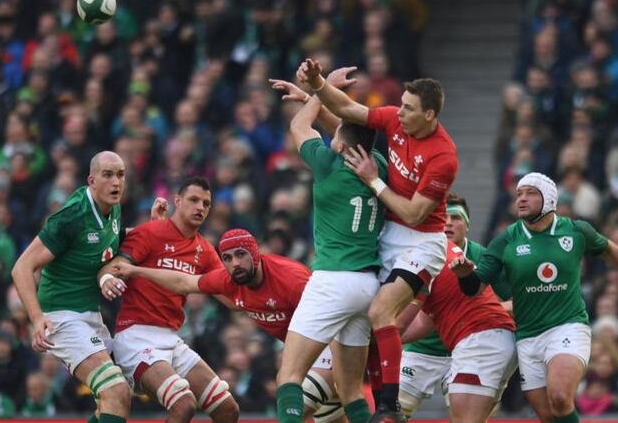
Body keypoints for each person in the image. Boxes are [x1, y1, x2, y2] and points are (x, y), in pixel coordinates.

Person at [297, 58, 458, 418]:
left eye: (409, 108)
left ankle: (388, 404)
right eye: (400, 103)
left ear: (430, 115)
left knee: (379, 310)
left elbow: (416, 213)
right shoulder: (394, 120)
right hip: (389, 233)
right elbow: (347, 112)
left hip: (422, 241)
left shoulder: (444, 156)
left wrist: (374, 179)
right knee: (374, 321)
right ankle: (359, 397)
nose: (399, 112)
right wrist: (317, 83)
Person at [452, 172, 618, 423]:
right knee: (549, 416)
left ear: (549, 198)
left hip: (567, 327)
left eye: (530, 193)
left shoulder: (575, 230)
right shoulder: (505, 239)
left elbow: (610, 251)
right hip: (528, 337)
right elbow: (474, 288)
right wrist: (465, 274)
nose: (522, 199)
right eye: (519, 194)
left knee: (560, 397)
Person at [112, 228, 346, 423]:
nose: (235, 263)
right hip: (309, 353)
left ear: (255, 253)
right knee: (331, 418)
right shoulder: (229, 280)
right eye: (227, 258)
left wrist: (346, 360)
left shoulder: (291, 278)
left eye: (241, 254)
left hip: (334, 343)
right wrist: (136, 270)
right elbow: (182, 282)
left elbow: (333, 316)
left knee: (291, 402)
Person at [270, 76, 387, 423]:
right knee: (350, 389)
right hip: (367, 285)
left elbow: (298, 124)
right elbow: (350, 132)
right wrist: (313, 94)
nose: (331, 138)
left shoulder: (327, 165)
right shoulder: (377, 164)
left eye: (334, 137)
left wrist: (322, 88)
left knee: (288, 376)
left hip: (332, 280)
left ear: (338, 147)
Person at [98, 177, 240, 423]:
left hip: (172, 339)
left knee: (228, 410)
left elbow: (230, 297)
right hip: (135, 336)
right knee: (184, 406)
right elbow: (116, 266)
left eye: (206, 203)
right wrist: (107, 279)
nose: (200, 207)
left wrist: (263, 299)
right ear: (177, 201)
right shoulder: (150, 232)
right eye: (194, 200)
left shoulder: (205, 250)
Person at [11, 151, 130, 423]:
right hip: (61, 317)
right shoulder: (72, 216)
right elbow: (21, 268)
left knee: (111, 402)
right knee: (115, 390)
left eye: (120, 175)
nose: (116, 182)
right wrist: (37, 318)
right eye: (108, 175)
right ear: (91, 180)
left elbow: (113, 242)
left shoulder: (114, 207)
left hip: (90, 315)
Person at [399, 194, 516, 423]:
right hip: (424, 350)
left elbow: (517, 301)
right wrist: (388, 338)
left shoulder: (484, 257)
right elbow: (423, 321)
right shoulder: (426, 255)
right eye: (444, 217)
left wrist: (490, 308)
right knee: (394, 409)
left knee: (467, 417)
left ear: (468, 226)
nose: (449, 223)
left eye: (456, 217)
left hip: (472, 343)